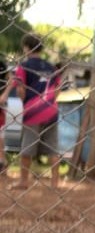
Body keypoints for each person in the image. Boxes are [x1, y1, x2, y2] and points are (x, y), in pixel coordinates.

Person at [1, 34, 62, 190]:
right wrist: (49, 102)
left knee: (27, 148)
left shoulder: (24, 66)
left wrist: (25, 102)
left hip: (33, 111)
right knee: (52, 148)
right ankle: (55, 183)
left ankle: (24, 181)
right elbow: (57, 89)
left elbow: (21, 89)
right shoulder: (51, 66)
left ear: (27, 48)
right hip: (51, 110)